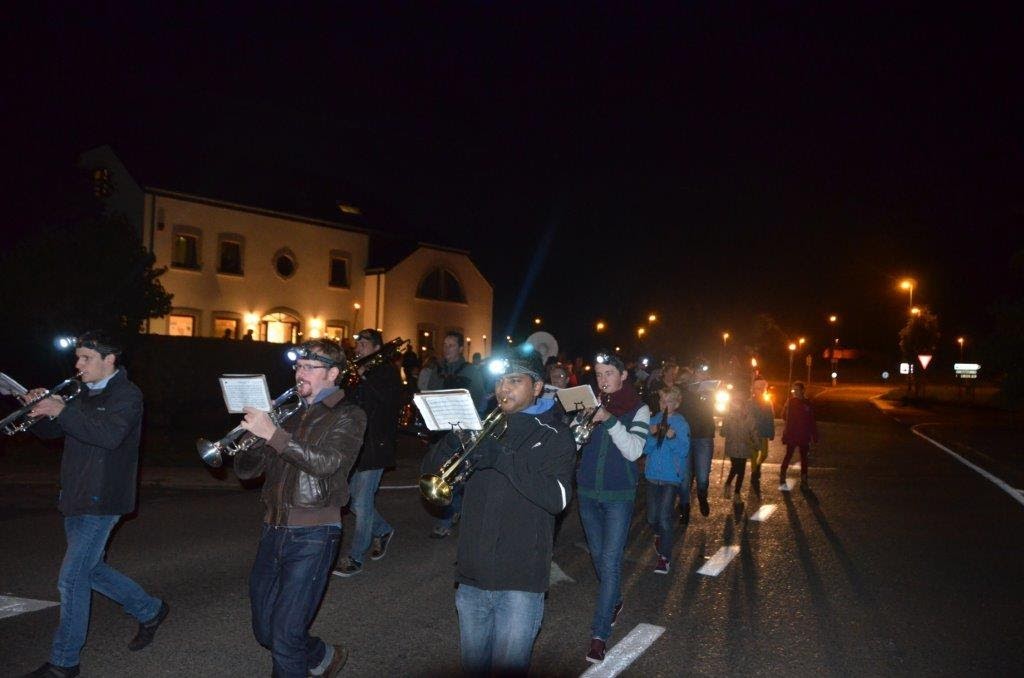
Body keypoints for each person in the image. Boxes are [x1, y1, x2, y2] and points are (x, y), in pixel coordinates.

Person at [420, 346, 576, 676]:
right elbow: (436, 484)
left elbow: (558, 498)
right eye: (500, 381)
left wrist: (502, 459)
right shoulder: (481, 428)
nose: (503, 388)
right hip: (472, 575)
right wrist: (449, 443)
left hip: (521, 580)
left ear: (537, 387)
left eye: (514, 381)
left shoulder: (555, 435)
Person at [24, 331, 167, 678]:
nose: (78, 365)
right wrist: (38, 410)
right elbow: (53, 434)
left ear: (110, 360)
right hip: (75, 495)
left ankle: (64, 662)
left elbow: (109, 436)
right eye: (78, 358)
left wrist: (63, 411)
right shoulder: (81, 394)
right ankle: (150, 610)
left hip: (103, 498)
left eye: (86, 358)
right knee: (91, 570)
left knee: (72, 579)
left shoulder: (128, 396)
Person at [233, 339, 366, 678]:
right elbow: (247, 471)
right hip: (273, 527)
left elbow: (326, 463)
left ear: (333, 374)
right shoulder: (288, 416)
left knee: (285, 637)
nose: (300, 373)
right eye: (298, 367)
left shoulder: (349, 415)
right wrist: (250, 439)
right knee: (265, 629)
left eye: (310, 367)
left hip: (315, 532)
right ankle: (321, 654)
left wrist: (274, 434)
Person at [576, 351, 650, 663]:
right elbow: (575, 443)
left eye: (608, 373)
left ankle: (599, 634)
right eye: (598, 373)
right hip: (587, 493)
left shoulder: (639, 409)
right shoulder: (591, 402)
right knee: (598, 556)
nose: (602, 379)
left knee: (610, 561)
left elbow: (633, 451)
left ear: (622, 376)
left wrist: (608, 421)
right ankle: (615, 599)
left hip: (618, 496)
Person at [334, 329, 402, 577]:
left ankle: (355, 557)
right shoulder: (356, 372)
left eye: (364, 344)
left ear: (375, 348)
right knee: (349, 498)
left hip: (377, 444)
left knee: (362, 503)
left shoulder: (386, 372)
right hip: (356, 444)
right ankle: (382, 530)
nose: (359, 348)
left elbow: (387, 402)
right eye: (358, 344)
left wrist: (363, 378)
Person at [426, 331, 487, 538]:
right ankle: (454, 509)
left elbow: (478, 399)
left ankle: (446, 517)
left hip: (460, 430)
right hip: (440, 430)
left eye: (451, 345)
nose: (447, 348)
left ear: (461, 348)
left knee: (454, 475)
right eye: (445, 344)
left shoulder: (470, 371)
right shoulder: (438, 369)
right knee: (436, 471)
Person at [643, 385, 690, 574]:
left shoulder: (681, 423)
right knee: (652, 516)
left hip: (670, 478)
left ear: (677, 404)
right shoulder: (653, 420)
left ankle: (665, 557)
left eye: (670, 402)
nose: (665, 405)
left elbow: (684, 450)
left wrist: (672, 438)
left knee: (664, 517)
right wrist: (653, 435)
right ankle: (659, 535)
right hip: (653, 476)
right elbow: (645, 449)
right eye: (663, 401)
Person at [677, 366, 715, 522]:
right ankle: (684, 508)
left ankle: (702, 495)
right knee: (684, 478)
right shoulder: (684, 389)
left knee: (703, 476)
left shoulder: (710, 389)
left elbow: (712, 409)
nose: (702, 374)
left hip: (704, 436)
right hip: (685, 436)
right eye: (699, 371)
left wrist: (706, 394)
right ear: (693, 373)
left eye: (705, 372)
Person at [779, 381, 818, 491]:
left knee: (804, 458)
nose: (795, 392)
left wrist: (814, 434)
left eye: (797, 390)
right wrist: (787, 410)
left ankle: (804, 479)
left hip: (804, 435)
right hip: (792, 434)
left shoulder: (807, 403)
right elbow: (784, 417)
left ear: (802, 390)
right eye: (793, 390)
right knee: (788, 455)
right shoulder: (790, 402)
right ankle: (782, 475)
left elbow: (811, 420)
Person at [721, 390, 757, 502]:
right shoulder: (728, 416)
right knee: (736, 467)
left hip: (744, 446)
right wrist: (725, 426)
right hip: (732, 445)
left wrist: (756, 443)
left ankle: (735, 491)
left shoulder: (748, 417)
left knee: (740, 470)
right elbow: (723, 433)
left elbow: (753, 431)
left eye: (739, 403)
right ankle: (729, 486)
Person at [749, 379, 775, 493]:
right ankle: (755, 474)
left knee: (763, 454)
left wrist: (771, 432)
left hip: (763, 432)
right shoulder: (749, 402)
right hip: (753, 433)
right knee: (755, 455)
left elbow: (770, 418)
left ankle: (756, 470)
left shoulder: (767, 403)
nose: (759, 391)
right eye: (757, 388)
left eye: (761, 388)